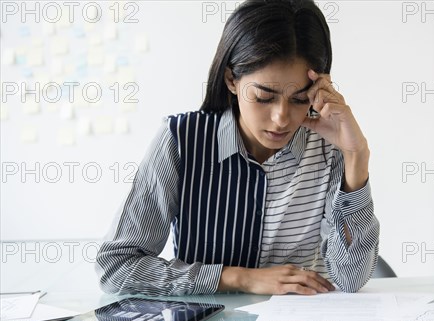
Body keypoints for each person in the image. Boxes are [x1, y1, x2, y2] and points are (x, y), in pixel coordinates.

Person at [95, 0, 379, 296]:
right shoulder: (180, 141)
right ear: (232, 79)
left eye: (299, 99)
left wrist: (356, 156)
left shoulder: (328, 150)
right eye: (264, 97)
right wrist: (239, 278)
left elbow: (350, 279)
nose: (282, 118)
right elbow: (117, 268)